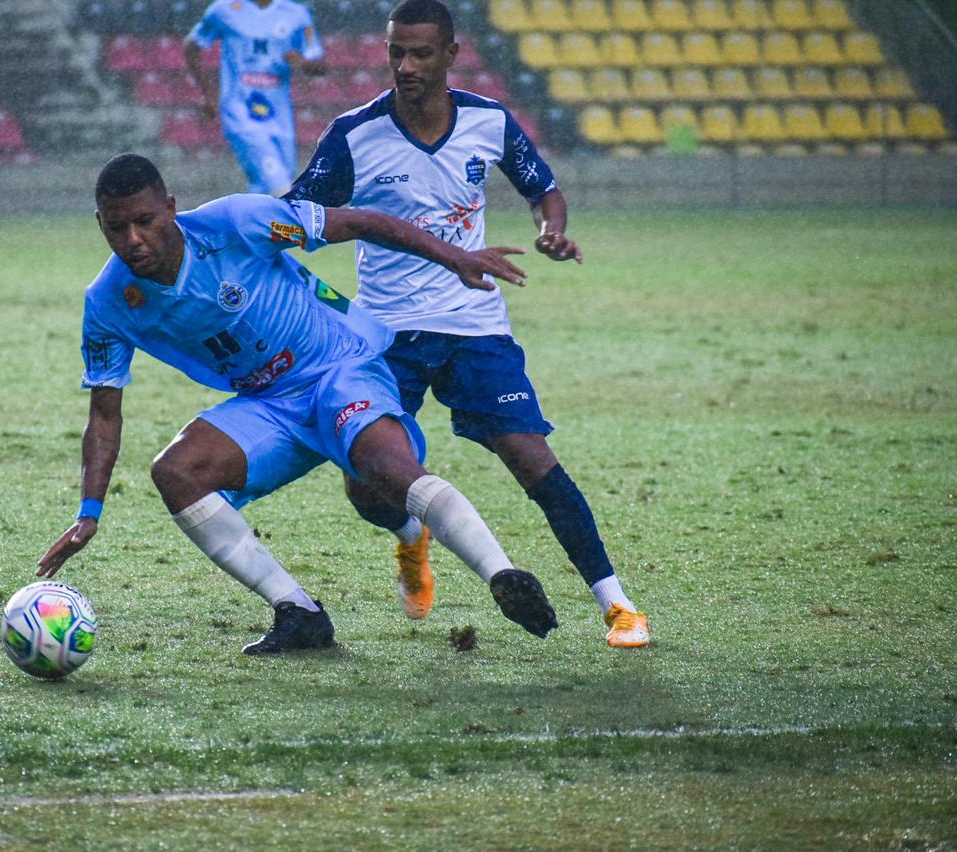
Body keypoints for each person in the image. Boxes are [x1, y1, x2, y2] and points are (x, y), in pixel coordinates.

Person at [37, 153, 560, 655]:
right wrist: (89, 512)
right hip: (267, 402)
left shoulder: (239, 223)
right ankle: (300, 613)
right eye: (115, 228)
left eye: (145, 221)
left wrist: (456, 256)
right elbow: (104, 415)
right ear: (100, 223)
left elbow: (359, 222)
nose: (133, 240)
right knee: (177, 471)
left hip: (340, 366)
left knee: (380, 475)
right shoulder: (107, 302)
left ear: (171, 207)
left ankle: (503, 575)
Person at [284, 0, 649, 648]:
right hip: (388, 334)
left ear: (452, 55)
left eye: (421, 53)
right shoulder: (354, 134)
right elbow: (294, 213)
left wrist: (551, 230)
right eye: (397, 52)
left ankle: (616, 603)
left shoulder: (488, 121)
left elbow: (545, 188)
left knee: (532, 458)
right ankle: (408, 535)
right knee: (366, 485)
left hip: (474, 322)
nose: (406, 66)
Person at [184, 0, 324, 196]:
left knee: (263, 188)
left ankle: (249, 226)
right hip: (239, 111)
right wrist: (207, 95)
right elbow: (192, 46)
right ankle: (302, 224)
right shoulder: (223, 10)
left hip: (279, 116)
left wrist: (301, 62)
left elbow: (319, 65)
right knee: (280, 188)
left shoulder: (297, 15)